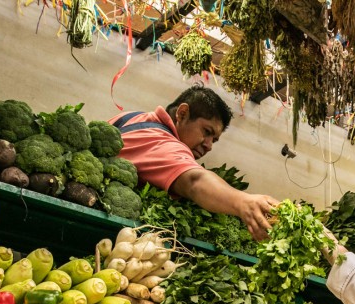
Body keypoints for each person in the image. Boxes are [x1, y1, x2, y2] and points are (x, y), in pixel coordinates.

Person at [109, 85, 277, 239]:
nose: (209, 145)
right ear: (182, 114)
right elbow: (194, 181)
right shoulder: (165, 145)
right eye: (206, 131)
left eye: (214, 140)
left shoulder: (130, 118)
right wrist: (243, 202)